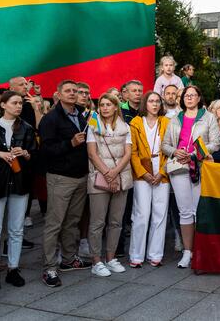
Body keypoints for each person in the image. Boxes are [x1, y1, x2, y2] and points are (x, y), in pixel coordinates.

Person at [0, 91, 37, 290]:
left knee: (16, 228)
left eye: (20, 103)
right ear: (3, 104)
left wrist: (26, 153)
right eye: (14, 103)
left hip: (20, 182)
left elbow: (35, 155)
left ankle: (13, 268)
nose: (19, 106)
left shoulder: (27, 128)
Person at [39, 80, 91, 288]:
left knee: (73, 220)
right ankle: (50, 267)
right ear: (58, 94)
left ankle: (69, 259)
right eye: (68, 91)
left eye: (75, 91)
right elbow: (46, 150)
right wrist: (70, 143)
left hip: (81, 176)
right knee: (55, 223)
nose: (72, 94)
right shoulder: (50, 118)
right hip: (60, 177)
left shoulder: (81, 114)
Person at [162, 85, 220, 268]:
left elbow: (215, 143)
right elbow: (165, 145)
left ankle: (200, 250)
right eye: (186, 95)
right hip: (179, 168)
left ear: (199, 98)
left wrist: (196, 153)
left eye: (193, 95)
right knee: (185, 212)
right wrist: (175, 151)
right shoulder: (175, 119)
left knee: (198, 211)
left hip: (199, 167)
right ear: (183, 98)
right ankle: (187, 252)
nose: (189, 98)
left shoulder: (209, 117)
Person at [86, 92, 133, 277]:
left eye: (108, 104)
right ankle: (96, 261)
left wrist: (115, 173)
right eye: (102, 104)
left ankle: (111, 258)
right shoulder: (93, 126)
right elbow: (92, 153)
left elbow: (127, 153)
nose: (104, 107)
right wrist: (108, 174)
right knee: (97, 222)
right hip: (99, 177)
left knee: (116, 222)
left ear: (115, 107)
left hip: (121, 176)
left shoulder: (126, 127)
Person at [129, 91, 170, 268]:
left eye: (157, 101)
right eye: (151, 101)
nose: (154, 104)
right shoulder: (135, 123)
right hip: (142, 171)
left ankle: (155, 254)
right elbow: (132, 151)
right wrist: (143, 173)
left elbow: (171, 148)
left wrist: (162, 172)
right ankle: (136, 255)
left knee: (160, 214)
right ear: (145, 103)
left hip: (162, 170)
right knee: (141, 214)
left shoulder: (167, 122)